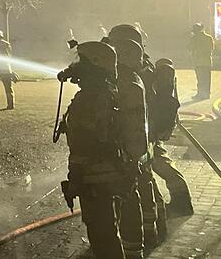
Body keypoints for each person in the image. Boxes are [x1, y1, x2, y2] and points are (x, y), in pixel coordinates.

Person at [57, 41, 131, 258]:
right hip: (107, 175)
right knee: (108, 228)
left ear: (95, 65)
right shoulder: (104, 91)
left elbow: (85, 146)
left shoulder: (90, 99)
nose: (76, 66)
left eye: (82, 61)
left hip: (95, 179)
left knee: (102, 234)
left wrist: (75, 181)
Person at [108, 24, 163, 250]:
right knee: (145, 183)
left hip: (134, 140)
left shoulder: (132, 73)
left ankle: (138, 241)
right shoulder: (142, 66)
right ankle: (150, 231)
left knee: (134, 189)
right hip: (142, 137)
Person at [110, 38, 150, 258]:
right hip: (131, 152)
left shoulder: (127, 83)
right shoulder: (131, 79)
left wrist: (131, 157)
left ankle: (133, 248)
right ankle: (135, 245)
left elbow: (131, 124)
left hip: (126, 153)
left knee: (127, 197)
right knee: (131, 195)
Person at [151, 58, 193, 217]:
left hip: (152, 127)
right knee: (159, 161)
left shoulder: (158, 75)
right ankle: (180, 202)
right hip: (155, 125)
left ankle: (180, 203)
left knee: (158, 163)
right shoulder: (163, 76)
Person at [188, 23, 214, 100]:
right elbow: (211, 49)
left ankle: (200, 94)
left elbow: (189, 48)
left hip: (198, 62)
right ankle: (206, 94)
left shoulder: (194, 39)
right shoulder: (209, 38)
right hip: (207, 61)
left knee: (200, 79)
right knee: (207, 78)